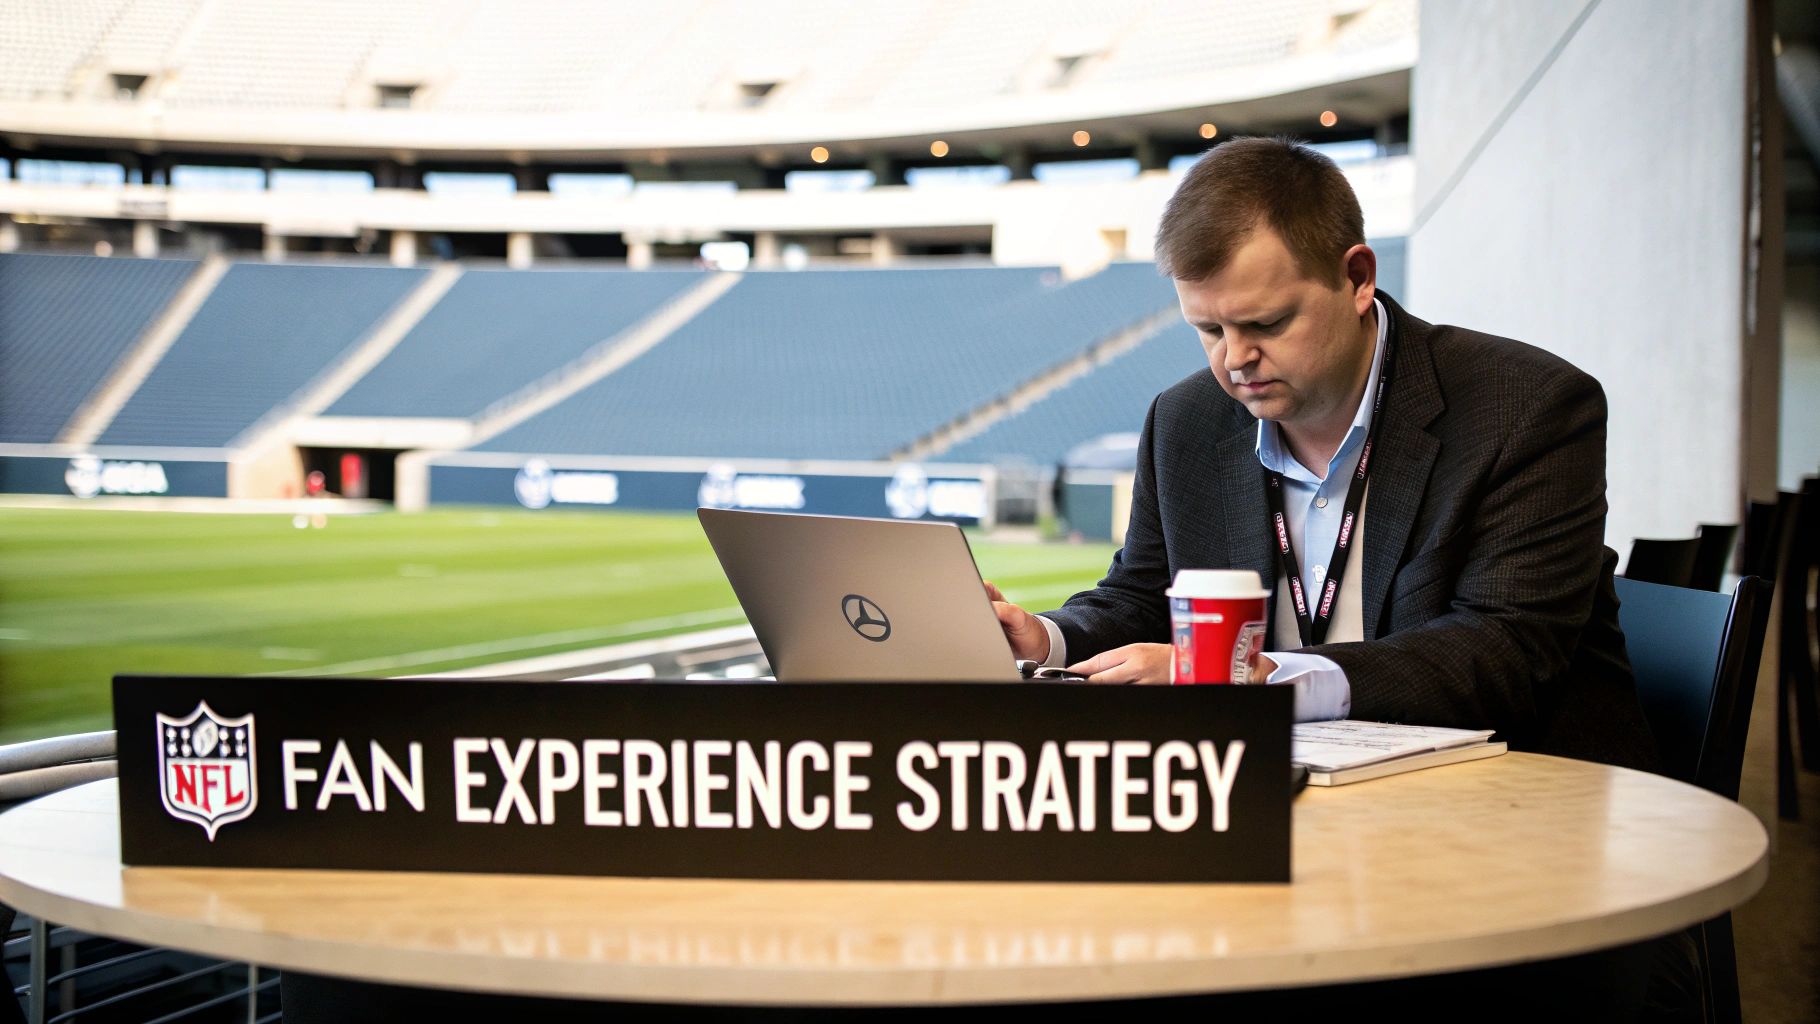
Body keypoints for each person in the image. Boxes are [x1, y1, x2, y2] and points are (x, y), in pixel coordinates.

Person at [987, 136, 1655, 774]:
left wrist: (1267, 679)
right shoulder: (1185, 419)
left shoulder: (1527, 406)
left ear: (1357, 277)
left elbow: (1506, 651)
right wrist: (1045, 640)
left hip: (1512, 803)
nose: (1236, 358)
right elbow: (1144, 596)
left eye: (1267, 323)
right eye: (1208, 329)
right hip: (1275, 796)